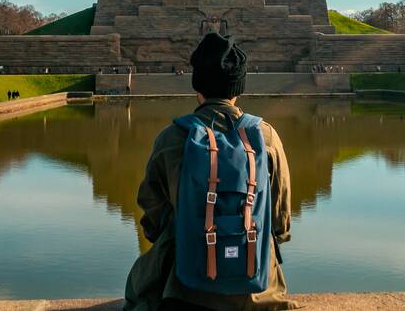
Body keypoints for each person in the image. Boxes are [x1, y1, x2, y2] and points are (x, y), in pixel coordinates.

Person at [124, 34, 297, 311]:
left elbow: (152, 213)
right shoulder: (266, 137)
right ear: (237, 88)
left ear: (198, 86)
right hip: (257, 289)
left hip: (183, 289)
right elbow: (280, 219)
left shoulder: (172, 138)